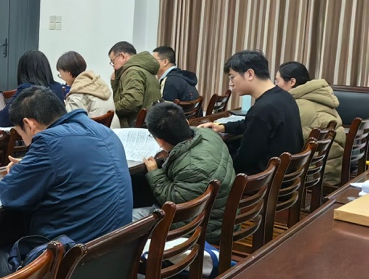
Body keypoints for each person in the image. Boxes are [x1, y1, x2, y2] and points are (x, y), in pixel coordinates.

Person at [0, 86, 132, 279]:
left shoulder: (49, 142)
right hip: (111, 261)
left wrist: (20, 169)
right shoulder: (104, 132)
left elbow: (10, 194)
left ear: (29, 125)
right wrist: (32, 165)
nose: (26, 142)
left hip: (68, 270)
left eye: (21, 134)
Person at [143, 102, 235, 245]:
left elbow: (172, 201)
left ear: (160, 141)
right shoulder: (209, 134)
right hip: (221, 212)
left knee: (133, 220)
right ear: (186, 123)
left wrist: (155, 173)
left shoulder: (192, 168)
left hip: (208, 227)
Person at [199, 50, 303, 175]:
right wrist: (222, 127)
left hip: (262, 179)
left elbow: (245, 160)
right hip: (284, 174)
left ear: (249, 74)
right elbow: (250, 123)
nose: (231, 84)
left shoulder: (263, 109)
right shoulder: (284, 97)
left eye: (232, 77)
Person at [275, 61, 345, 187]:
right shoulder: (318, 96)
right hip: (330, 169)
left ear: (292, 82)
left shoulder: (298, 105)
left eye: (277, 81)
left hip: (314, 175)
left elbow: (286, 141)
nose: (275, 86)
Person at [0, 50, 65, 127]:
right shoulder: (58, 87)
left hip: (37, 134)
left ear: (23, 70)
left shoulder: (26, 88)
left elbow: (3, 120)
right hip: (57, 132)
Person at [56, 50, 119, 128]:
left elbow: (72, 124)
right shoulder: (98, 83)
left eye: (60, 74)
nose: (61, 77)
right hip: (113, 131)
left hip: (95, 132)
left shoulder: (77, 93)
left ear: (68, 72)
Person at [108, 41, 161, 128]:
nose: (113, 66)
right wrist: (115, 81)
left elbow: (132, 102)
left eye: (113, 62)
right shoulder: (143, 69)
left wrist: (110, 109)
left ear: (122, 56)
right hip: (149, 122)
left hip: (136, 125)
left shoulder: (132, 72)